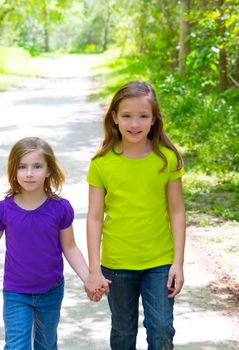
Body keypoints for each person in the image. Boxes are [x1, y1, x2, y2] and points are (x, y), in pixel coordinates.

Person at [0, 137, 108, 349]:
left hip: (51, 290)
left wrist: (89, 278)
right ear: (14, 171)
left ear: (49, 170)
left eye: (37, 166)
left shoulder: (60, 208)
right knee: (16, 346)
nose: (29, 173)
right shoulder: (3, 210)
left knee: (47, 345)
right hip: (16, 292)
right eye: (22, 167)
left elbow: (69, 247)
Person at [85, 81, 186, 350]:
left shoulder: (166, 159)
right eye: (127, 115)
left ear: (154, 120)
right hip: (117, 265)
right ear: (115, 118)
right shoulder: (102, 163)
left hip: (160, 262)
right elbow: (94, 217)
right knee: (122, 332)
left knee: (162, 329)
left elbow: (177, 210)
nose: (134, 123)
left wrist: (178, 262)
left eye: (143, 116)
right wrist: (94, 269)